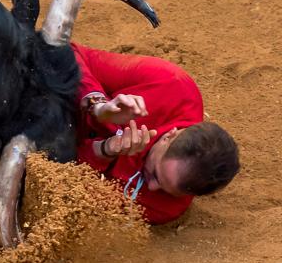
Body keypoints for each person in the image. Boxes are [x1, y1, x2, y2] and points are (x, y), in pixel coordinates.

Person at [73, 43, 240, 224]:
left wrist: (102, 151)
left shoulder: (165, 208)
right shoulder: (170, 83)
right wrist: (97, 105)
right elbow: (68, 52)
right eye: (155, 174)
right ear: (169, 137)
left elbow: (70, 192)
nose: (151, 188)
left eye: (165, 190)